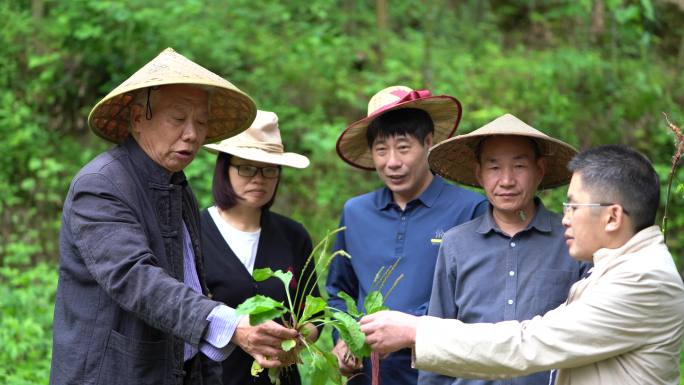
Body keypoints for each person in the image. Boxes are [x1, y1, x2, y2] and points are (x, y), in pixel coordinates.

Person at [50, 48, 298, 385]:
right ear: (138, 118)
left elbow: (194, 286)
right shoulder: (100, 185)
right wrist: (231, 324)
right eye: (178, 119)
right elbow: (135, 277)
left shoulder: (177, 188)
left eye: (201, 122)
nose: (192, 134)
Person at [359, 144, 684, 385]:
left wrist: (415, 330)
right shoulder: (615, 269)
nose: (566, 219)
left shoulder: (642, 279)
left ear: (612, 216)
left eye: (573, 206)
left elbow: (528, 342)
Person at [327, 85, 488, 385]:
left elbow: (477, 299)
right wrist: (343, 335)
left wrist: (407, 331)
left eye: (403, 147)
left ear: (428, 142)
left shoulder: (469, 209)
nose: (392, 162)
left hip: (441, 373)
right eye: (381, 149)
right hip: (369, 374)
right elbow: (339, 290)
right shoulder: (355, 212)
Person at [420, 113, 590, 385]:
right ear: (479, 173)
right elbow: (436, 341)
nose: (507, 180)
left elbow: (589, 334)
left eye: (519, 166)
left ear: (540, 170)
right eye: (494, 168)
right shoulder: (456, 244)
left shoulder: (574, 240)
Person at [200, 110, 318, 385]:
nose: (258, 178)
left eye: (269, 169)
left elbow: (316, 318)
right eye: (246, 167)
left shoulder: (293, 235)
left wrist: (297, 339)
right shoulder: (194, 232)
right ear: (224, 169)